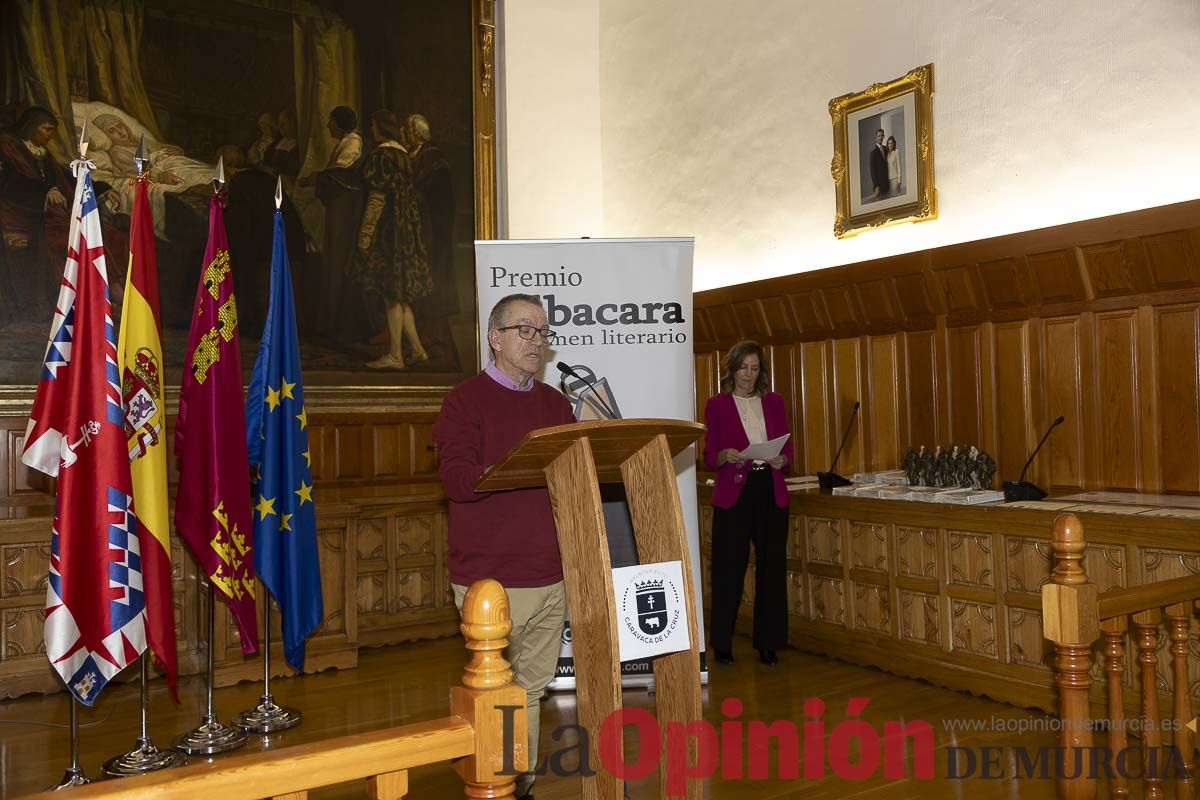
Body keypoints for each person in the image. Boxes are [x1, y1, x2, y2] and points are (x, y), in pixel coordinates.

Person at [433, 293, 574, 800]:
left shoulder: (556, 404)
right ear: (495, 338)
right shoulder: (464, 401)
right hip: (490, 580)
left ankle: (521, 784)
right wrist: (516, 466)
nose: (538, 342)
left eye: (543, 332)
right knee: (496, 695)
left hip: (550, 573)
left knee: (531, 692)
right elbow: (456, 480)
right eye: (526, 330)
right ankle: (495, 784)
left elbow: (570, 479)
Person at [703, 340, 791, 667]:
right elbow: (709, 456)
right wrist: (725, 455)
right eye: (743, 368)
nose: (748, 375)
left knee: (772, 570)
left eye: (754, 369)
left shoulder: (774, 402)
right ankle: (722, 643)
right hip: (734, 494)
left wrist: (783, 458)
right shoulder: (717, 405)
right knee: (729, 570)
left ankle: (768, 644)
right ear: (732, 369)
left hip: (770, 488)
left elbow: (788, 450)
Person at [354, 109, 432, 369]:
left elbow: (377, 200)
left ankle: (396, 355)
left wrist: (365, 234)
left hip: (389, 231)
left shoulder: (380, 156)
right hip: (407, 230)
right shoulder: (403, 155)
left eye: (373, 125)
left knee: (391, 294)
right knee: (400, 295)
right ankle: (418, 351)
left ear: (379, 129)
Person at [868, 127, 888, 200]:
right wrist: (876, 186)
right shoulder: (873, 153)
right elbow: (872, 171)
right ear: (876, 137)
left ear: (884, 136)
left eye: (882, 135)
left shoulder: (886, 149)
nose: (880, 137)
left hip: (888, 182)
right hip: (880, 185)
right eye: (879, 136)